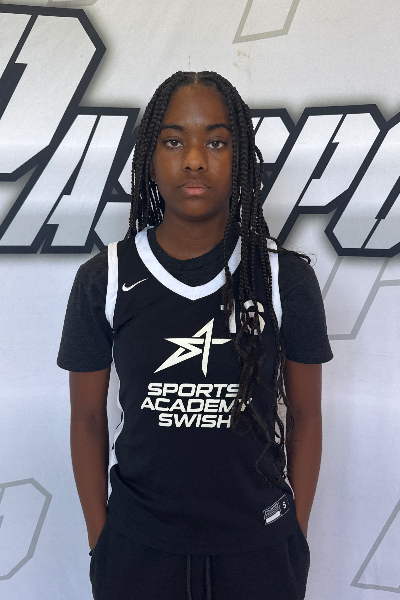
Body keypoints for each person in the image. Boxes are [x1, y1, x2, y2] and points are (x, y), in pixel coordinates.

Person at [57, 71, 333, 600]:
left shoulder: (284, 278)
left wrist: (293, 535)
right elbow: (87, 419)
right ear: (150, 158)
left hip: (259, 553)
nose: (194, 160)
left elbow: (306, 415)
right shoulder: (105, 278)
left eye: (217, 142)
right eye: (173, 141)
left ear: (241, 157)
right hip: (139, 552)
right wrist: (102, 542)